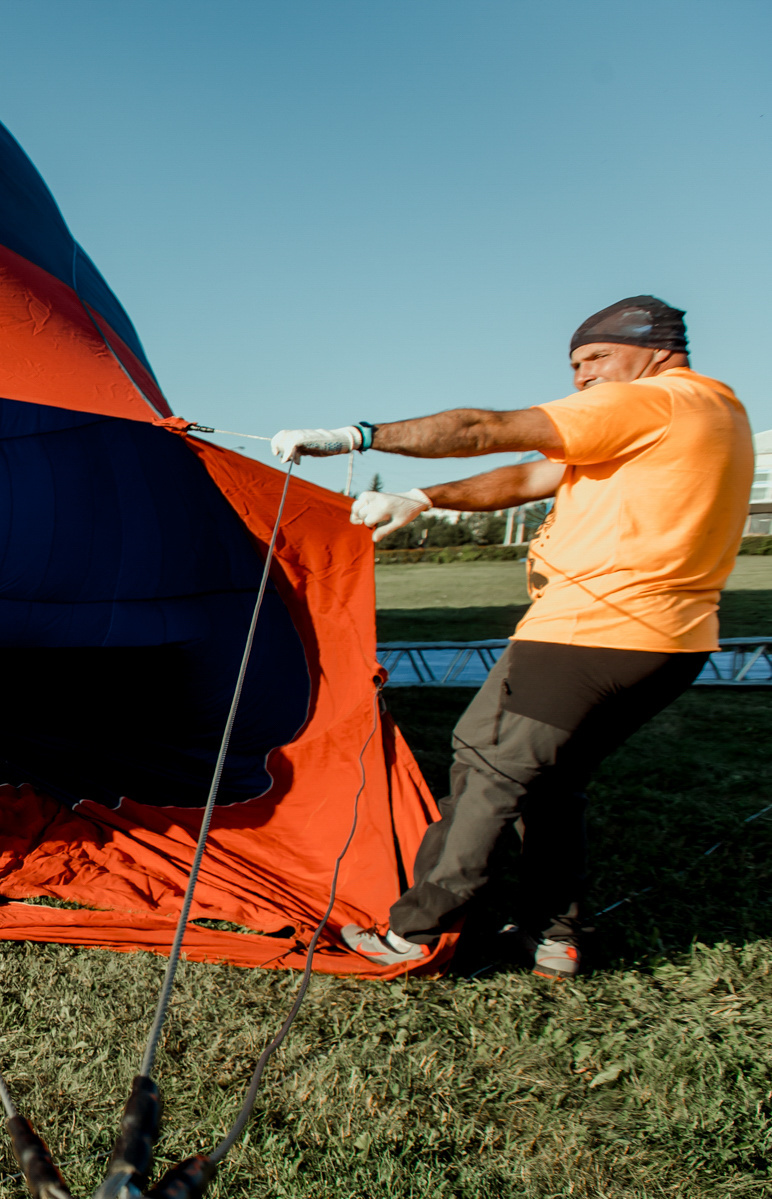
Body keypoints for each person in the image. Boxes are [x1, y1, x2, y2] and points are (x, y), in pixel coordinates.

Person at [272, 295, 753, 978]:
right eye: (575, 364)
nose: (584, 376)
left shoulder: (646, 402)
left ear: (655, 349)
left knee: (487, 769)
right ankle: (553, 936)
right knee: (553, 785)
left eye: (597, 357)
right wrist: (426, 497)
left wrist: (359, 436)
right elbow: (533, 474)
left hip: (587, 634)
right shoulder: (713, 408)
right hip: (673, 644)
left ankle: (417, 931)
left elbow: (484, 429)